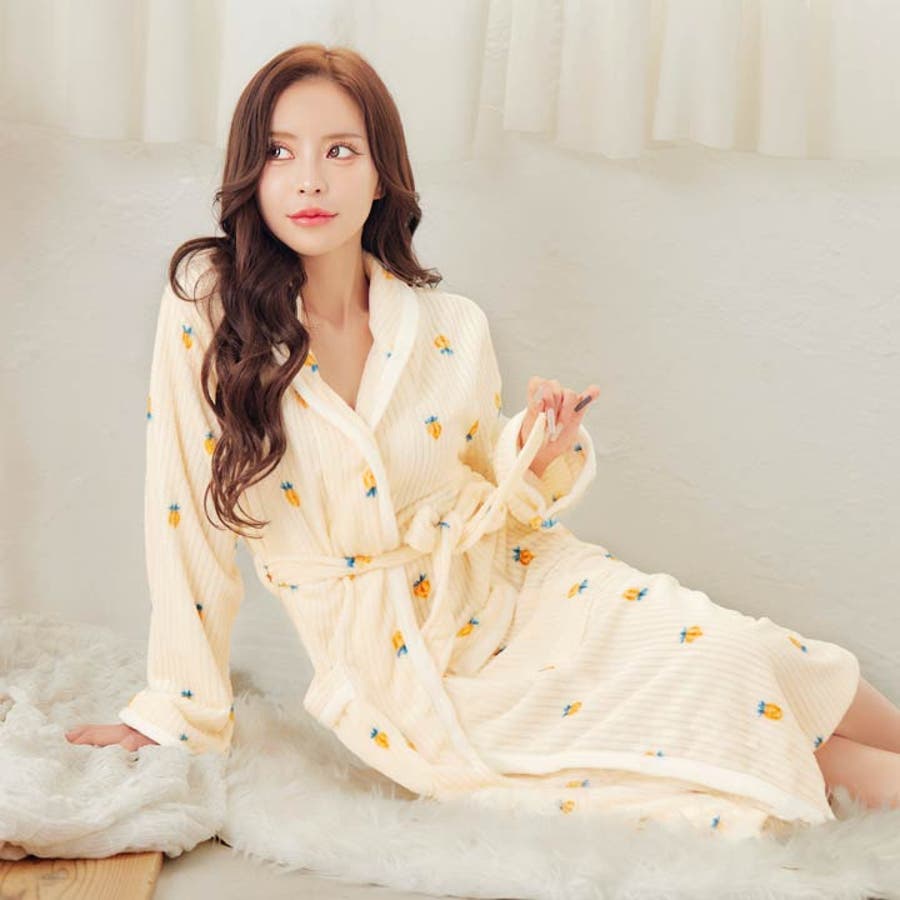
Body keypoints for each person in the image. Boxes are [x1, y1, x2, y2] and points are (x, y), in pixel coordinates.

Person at [66, 43, 900, 837]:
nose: (310, 179)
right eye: (281, 152)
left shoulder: (448, 325)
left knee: (744, 649)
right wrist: (179, 710)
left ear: (382, 174)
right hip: (416, 671)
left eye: (341, 151)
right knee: (717, 717)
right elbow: (182, 515)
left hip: (521, 585)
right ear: (251, 171)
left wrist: (533, 452)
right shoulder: (212, 308)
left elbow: (481, 493)